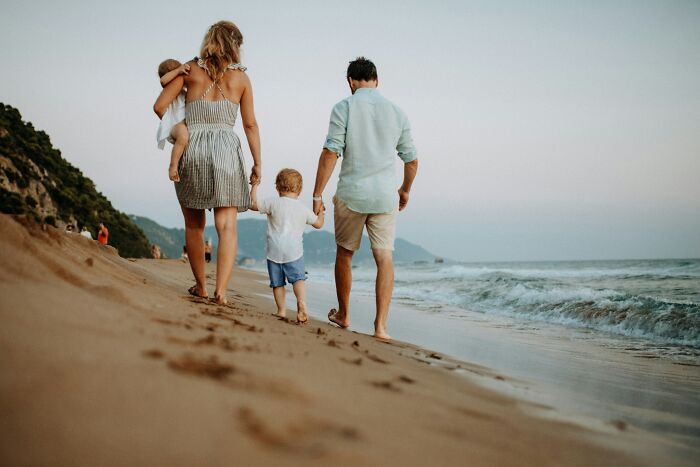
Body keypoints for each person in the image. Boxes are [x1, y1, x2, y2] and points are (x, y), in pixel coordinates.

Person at [153, 20, 261, 305]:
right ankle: (221, 293)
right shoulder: (241, 79)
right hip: (226, 149)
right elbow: (250, 125)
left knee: (194, 225)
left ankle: (201, 286)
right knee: (226, 226)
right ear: (235, 46)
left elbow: (160, 106)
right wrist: (257, 163)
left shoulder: (189, 69)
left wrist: (181, 129)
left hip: (193, 148)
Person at [312, 57, 418, 340]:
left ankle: (344, 314)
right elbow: (411, 160)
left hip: (352, 194)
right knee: (384, 258)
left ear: (350, 82)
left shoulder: (344, 107)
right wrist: (404, 190)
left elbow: (330, 153)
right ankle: (381, 326)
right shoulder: (397, 112)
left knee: (345, 254)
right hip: (385, 197)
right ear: (377, 81)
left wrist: (317, 194)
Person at [250, 169, 324, 323]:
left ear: (277, 188)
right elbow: (318, 224)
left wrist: (255, 186)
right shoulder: (302, 208)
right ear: (300, 189)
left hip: (274, 251)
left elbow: (253, 204)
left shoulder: (272, 202)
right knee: (298, 280)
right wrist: (321, 212)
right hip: (294, 252)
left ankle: (282, 311)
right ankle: (301, 303)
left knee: (277, 284)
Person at [156, 59, 190, 182]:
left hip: (183, 123)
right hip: (175, 125)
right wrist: (178, 71)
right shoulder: (167, 90)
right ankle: (173, 165)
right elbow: (163, 80)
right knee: (183, 135)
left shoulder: (183, 93)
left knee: (185, 138)